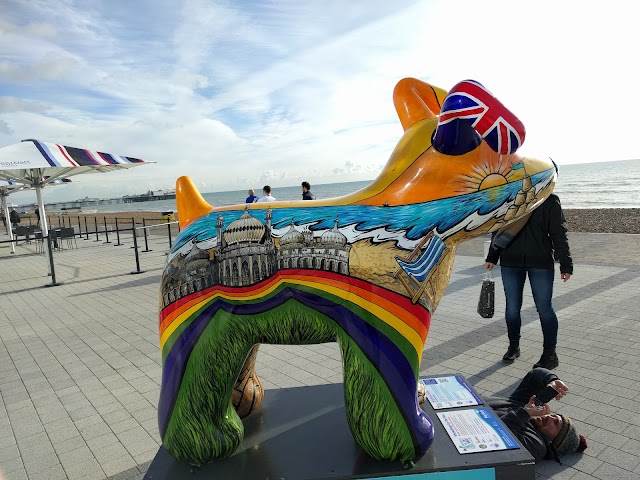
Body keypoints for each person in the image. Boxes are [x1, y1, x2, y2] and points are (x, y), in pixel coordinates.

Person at [485, 193, 572, 369]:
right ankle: (513, 346)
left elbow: (558, 231)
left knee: (544, 308)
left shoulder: (549, 199)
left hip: (540, 262)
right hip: (510, 261)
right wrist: (492, 256)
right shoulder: (510, 198)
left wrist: (565, 263)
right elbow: (499, 228)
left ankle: (550, 354)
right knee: (512, 308)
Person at [487, 367, 587, 461]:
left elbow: (499, 437)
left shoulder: (538, 445)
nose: (549, 418)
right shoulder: (526, 409)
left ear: (555, 441)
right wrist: (552, 381)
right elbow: (534, 376)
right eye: (553, 415)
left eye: (555, 423)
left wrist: (524, 413)